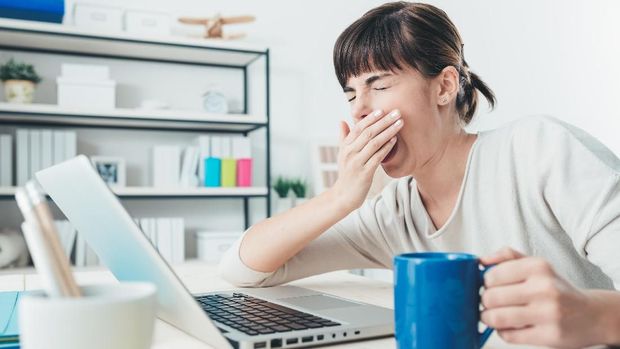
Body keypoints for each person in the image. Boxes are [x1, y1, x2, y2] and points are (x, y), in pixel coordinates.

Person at [219, 2, 620, 347]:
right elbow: (245, 268)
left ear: (445, 86)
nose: (358, 109)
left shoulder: (538, 148)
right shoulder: (394, 213)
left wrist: (592, 315)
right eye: (351, 94)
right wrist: (339, 197)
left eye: (379, 85)